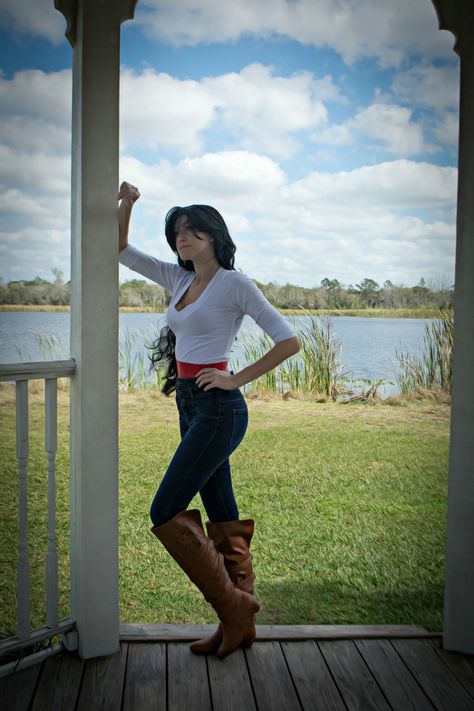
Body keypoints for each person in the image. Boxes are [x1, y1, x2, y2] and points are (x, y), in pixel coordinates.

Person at [117, 181, 300, 659]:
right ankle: (237, 624)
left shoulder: (234, 283)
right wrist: (127, 205)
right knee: (221, 514)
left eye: (194, 231)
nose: (184, 238)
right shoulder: (178, 279)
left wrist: (235, 378)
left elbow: (288, 340)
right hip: (191, 404)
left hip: (219, 409)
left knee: (165, 508)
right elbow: (121, 250)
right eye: (178, 231)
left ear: (215, 236)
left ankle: (235, 609)